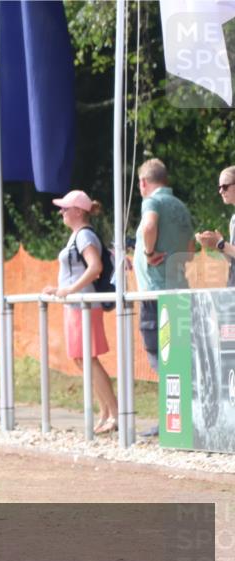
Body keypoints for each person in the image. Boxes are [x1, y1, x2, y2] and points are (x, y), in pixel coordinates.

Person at [42, 190, 119, 435]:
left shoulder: (84, 235)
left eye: (65, 208)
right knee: (82, 358)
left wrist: (69, 290)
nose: (61, 212)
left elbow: (94, 267)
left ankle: (115, 413)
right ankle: (106, 411)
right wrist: (63, 290)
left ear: (77, 211)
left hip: (84, 305)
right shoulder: (78, 235)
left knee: (87, 358)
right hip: (77, 305)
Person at [133, 158, 195, 438]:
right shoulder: (180, 207)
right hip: (180, 289)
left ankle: (170, 419)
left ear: (144, 183)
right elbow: (192, 250)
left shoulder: (152, 202)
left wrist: (147, 254)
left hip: (155, 295)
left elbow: (148, 227)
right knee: (179, 357)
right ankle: (182, 417)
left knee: (159, 357)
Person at [195, 165, 235, 287]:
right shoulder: (233, 219)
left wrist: (221, 244)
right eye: (219, 187)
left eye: (225, 187)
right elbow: (232, 261)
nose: (220, 191)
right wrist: (218, 246)